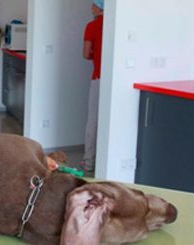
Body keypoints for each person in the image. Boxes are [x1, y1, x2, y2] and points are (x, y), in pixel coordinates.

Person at [82, 0, 104, 171]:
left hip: (98, 78)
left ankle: (89, 162)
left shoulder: (92, 26)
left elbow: (86, 55)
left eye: (93, 4)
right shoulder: (114, 24)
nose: (91, 8)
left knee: (93, 120)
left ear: (99, 7)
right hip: (112, 80)